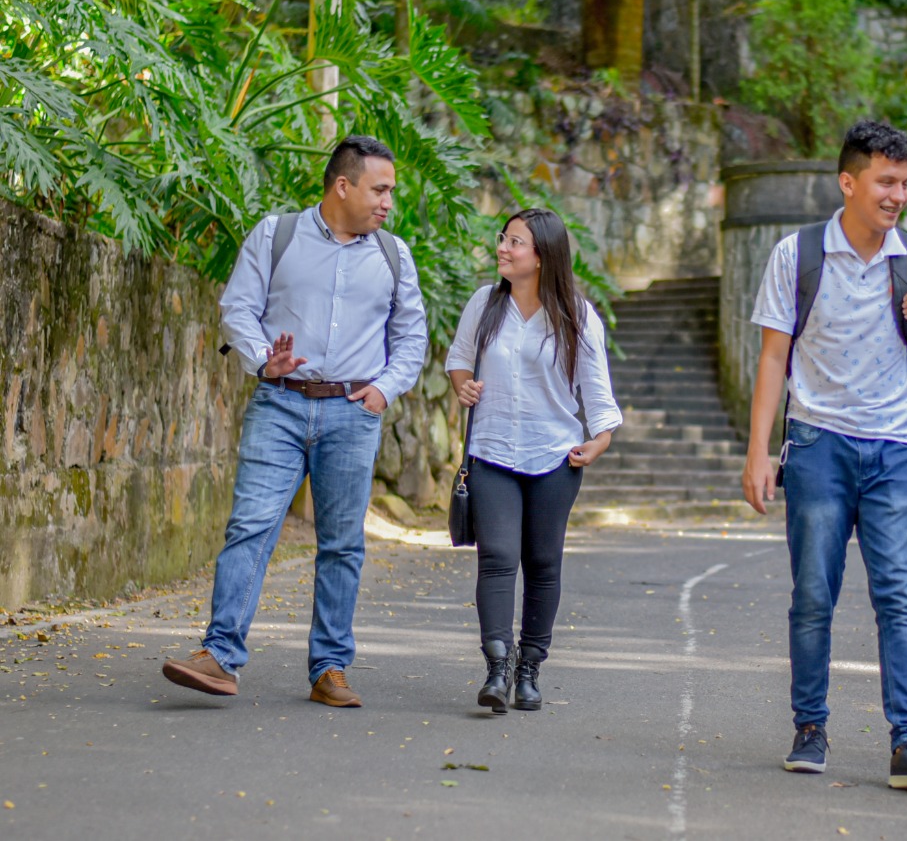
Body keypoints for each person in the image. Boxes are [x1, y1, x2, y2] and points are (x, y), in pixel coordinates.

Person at [161, 136, 427, 708]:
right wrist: (264, 359)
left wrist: (383, 390)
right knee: (251, 527)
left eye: (391, 192)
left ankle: (329, 668)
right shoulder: (276, 234)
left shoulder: (393, 256)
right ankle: (219, 656)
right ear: (343, 186)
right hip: (279, 404)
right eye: (379, 190)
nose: (387, 203)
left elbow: (411, 338)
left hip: (353, 413)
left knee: (342, 544)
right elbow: (238, 307)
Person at [741, 120, 907, 787]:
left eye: (905, 183)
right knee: (814, 592)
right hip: (817, 443)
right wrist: (759, 452)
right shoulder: (798, 253)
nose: (898, 195)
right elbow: (774, 354)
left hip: (895, 445)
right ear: (849, 181)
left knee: (899, 596)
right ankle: (810, 726)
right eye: (886, 181)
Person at [446, 208, 622, 715]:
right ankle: (497, 668)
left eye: (515, 242)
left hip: (554, 457)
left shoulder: (578, 316)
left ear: (543, 256)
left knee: (543, 564)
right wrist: (465, 386)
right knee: (498, 557)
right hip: (493, 451)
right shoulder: (485, 304)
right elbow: (458, 358)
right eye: (503, 238)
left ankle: (530, 670)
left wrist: (600, 440)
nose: (502, 247)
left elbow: (597, 392)